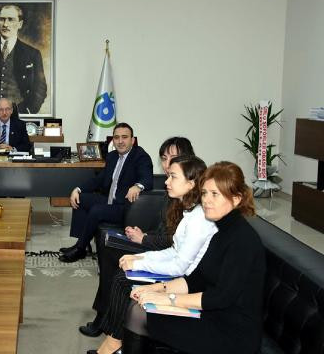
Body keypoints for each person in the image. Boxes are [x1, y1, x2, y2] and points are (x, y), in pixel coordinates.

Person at [90, 162, 265, 354]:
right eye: (204, 193)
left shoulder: (242, 240)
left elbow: (220, 298)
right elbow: (195, 279)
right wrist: (155, 288)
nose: (207, 200)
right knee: (138, 305)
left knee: (140, 313)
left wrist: (167, 298)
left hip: (231, 331)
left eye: (215, 194)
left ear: (236, 199)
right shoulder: (222, 232)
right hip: (213, 315)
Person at [80, 137, 196, 337]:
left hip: (162, 251)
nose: (167, 164)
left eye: (173, 157)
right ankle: (105, 316)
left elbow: (173, 241)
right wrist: (142, 233)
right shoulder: (173, 186)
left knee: (110, 253)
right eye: (164, 158)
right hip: (154, 242)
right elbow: (164, 229)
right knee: (106, 241)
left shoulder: (188, 193)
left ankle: (104, 319)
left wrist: (143, 239)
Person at [59, 122, 153, 263]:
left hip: (124, 207)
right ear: (113, 140)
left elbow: (147, 178)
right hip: (110, 200)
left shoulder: (140, 156)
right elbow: (99, 179)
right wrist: (78, 189)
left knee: (96, 210)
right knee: (80, 198)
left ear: (132, 140)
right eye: (116, 137)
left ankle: (79, 249)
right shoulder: (112, 156)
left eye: (124, 137)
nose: (120, 141)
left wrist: (138, 186)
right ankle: (82, 243)